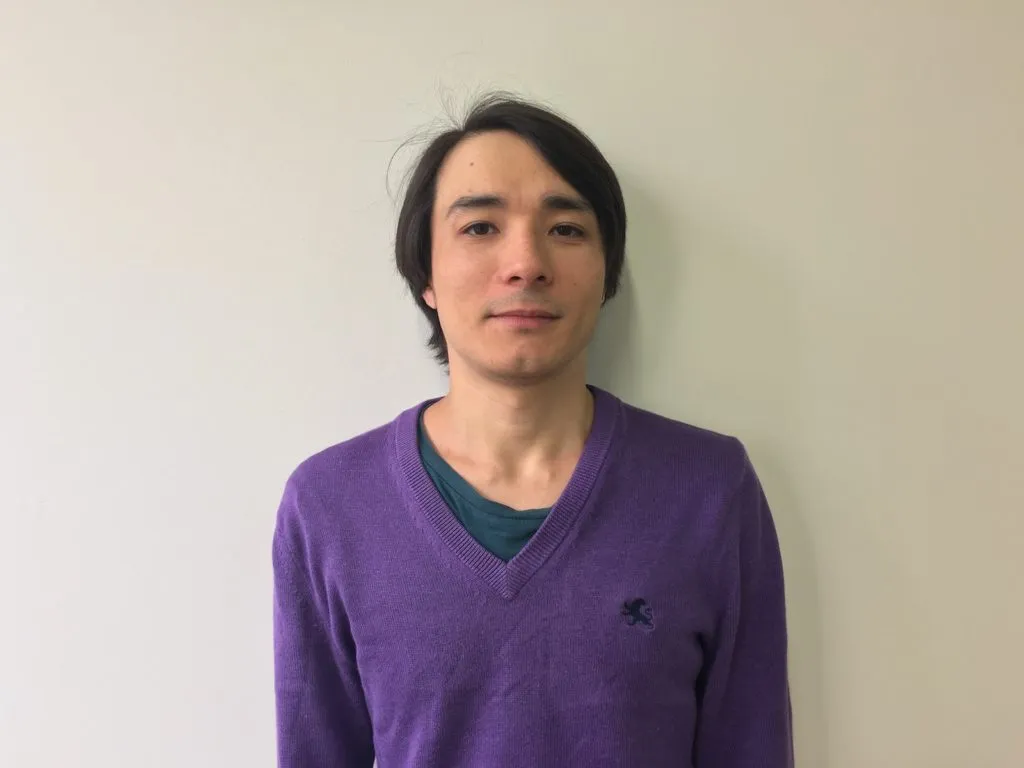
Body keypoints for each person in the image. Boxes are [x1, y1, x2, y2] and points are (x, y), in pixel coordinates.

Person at [272, 94, 793, 767]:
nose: (525, 263)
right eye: (480, 227)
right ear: (425, 274)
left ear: (607, 272)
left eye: (566, 229)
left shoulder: (709, 489)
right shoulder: (331, 504)